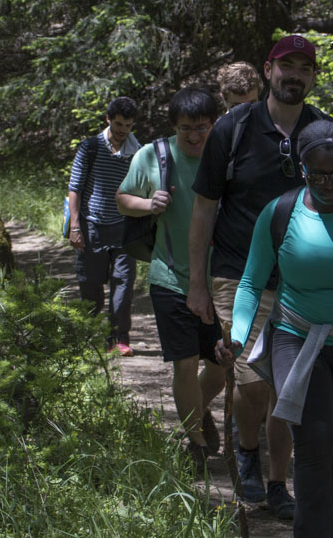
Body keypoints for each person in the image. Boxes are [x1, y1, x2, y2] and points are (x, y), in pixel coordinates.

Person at [189, 34, 333, 519]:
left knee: (288, 388)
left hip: (305, 285)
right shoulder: (234, 128)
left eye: (305, 68)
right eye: (287, 66)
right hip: (238, 275)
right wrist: (196, 283)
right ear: (268, 71)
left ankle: (277, 482)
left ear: (314, 77)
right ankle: (247, 449)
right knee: (253, 384)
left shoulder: (327, 132)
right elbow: (204, 207)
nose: (295, 76)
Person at [216, 119, 333, 537]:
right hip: (295, 338)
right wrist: (238, 337)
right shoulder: (280, 213)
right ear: (302, 169)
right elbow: (251, 283)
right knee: (315, 441)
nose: (330, 184)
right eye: (318, 175)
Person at [115, 88, 224, 470]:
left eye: (202, 128)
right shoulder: (153, 155)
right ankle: (195, 444)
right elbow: (123, 199)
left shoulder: (226, 153)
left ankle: (197, 410)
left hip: (221, 280)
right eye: (185, 129)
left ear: (214, 124)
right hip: (169, 276)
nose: (194, 136)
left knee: (221, 365)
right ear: (174, 127)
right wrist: (149, 204)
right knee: (185, 363)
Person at [67, 96, 141, 356]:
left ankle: (119, 338)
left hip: (124, 228)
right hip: (92, 228)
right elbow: (75, 188)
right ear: (108, 119)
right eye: (119, 124)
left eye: (128, 125)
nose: (123, 130)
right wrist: (75, 226)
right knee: (91, 286)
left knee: (123, 284)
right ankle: (88, 334)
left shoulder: (137, 151)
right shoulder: (90, 148)